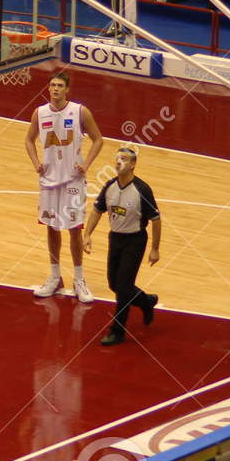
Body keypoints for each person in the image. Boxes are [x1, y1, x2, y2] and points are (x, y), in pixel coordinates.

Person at [25, 71, 103, 302]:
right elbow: (28, 140)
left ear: (67, 89)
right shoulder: (39, 113)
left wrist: (86, 164)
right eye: (52, 85)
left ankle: (79, 279)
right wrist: (36, 163)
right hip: (49, 180)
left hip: (72, 181)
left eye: (60, 85)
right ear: (48, 88)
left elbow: (98, 139)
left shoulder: (80, 111)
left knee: (74, 229)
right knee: (51, 227)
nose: (55, 89)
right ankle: (55, 276)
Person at [84, 147, 162, 346]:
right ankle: (146, 301)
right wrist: (87, 234)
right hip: (115, 238)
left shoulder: (142, 190)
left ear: (133, 164)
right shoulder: (110, 186)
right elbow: (96, 211)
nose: (119, 162)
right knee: (114, 284)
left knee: (123, 288)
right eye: (117, 158)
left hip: (135, 240)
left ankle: (117, 331)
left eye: (124, 159)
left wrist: (154, 248)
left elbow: (156, 219)